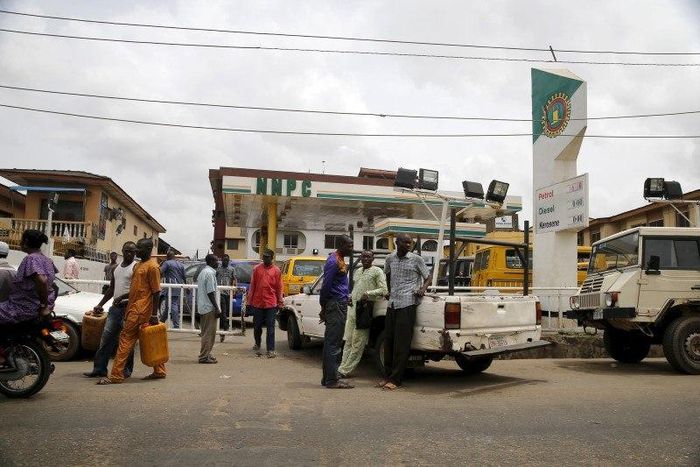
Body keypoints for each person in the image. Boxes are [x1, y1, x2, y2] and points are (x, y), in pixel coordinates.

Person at [98, 237, 166, 384]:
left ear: (148, 250)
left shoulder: (153, 267)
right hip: (134, 308)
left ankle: (116, 375)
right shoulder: (138, 265)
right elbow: (137, 289)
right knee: (149, 339)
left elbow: (156, 292)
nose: (136, 251)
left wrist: (154, 314)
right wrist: (122, 296)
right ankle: (159, 370)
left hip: (141, 311)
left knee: (125, 340)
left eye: (139, 248)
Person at [380, 233, 431, 391]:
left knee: (402, 344)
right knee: (389, 342)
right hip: (392, 303)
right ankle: (387, 376)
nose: (408, 245)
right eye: (405, 243)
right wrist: (388, 290)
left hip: (408, 303)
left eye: (410, 243)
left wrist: (422, 289)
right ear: (397, 243)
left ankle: (396, 380)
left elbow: (428, 277)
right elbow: (387, 274)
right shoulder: (390, 258)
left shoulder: (417, 259)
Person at [83, 242, 137, 378]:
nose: (129, 253)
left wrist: (122, 298)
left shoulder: (135, 267)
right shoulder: (117, 268)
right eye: (127, 251)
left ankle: (125, 371)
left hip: (129, 309)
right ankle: (99, 369)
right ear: (122, 251)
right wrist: (100, 304)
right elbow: (111, 289)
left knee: (125, 342)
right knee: (106, 339)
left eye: (132, 251)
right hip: (115, 309)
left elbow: (137, 290)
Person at [338, 250, 387, 379]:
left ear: (373, 258)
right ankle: (341, 367)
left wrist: (369, 293)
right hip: (353, 309)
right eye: (363, 257)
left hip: (364, 310)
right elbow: (355, 289)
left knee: (358, 342)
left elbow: (384, 290)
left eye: (368, 257)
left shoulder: (377, 271)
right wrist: (350, 296)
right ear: (360, 258)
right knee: (348, 340)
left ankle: (346, 370)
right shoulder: (358, 271)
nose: (366, 259)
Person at [0, 230, 58, 325]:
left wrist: (43, 306)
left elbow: (42, 281)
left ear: (26, 242)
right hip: (35, 306)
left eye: (21, 240)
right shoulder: (47, 260)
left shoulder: (31, 259)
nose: (20, 242)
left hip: (22, 308)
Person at [319, 235, 354, 389]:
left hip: (339, 303)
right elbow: (326, 286)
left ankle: (329, 377)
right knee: (334, 344)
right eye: (349, 245)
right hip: (335, 305)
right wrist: (324, 306)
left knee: (331, 343)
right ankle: (332, 380)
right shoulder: (333, 261)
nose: (352, 248)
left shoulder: (339, 259)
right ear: (341, 245)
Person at [247, 249, 282, 358]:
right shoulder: (257, 269)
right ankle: (257, 343)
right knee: (257, 326)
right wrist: (249, 302)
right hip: (258, 303)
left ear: (272, 258)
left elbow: (279, 288)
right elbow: (253, 286)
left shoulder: (276, 271)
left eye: (267, 257)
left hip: (271, 303)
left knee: (271, 328)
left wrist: (280, 302)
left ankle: (270, 349)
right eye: (264, 256)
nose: (265, 259)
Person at [196, 254, 222, 364]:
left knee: (207, 332)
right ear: (211, 261)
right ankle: (203, 356)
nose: (218, 263)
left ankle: (207, 353)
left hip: (203, 306)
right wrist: (217, 308)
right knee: (208, 333)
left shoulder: (203, 272)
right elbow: (210, 292)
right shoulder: (210, 273)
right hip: (208, 307)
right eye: (216, 260)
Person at [159, 249, 185, 329]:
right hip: (178, 286)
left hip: (170, 287)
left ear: (167, 257)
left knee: (173, 304)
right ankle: (162, 321)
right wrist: (186, 285)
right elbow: (184, 276)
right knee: (168, 305)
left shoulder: (167, 263)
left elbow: (160, 271)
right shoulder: (180, 264)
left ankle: (176, 324)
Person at [216, 254, 236, 343]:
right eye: (224, 260)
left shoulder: (232, 269)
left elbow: (234, 279)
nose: (225, 262)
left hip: (228, 293)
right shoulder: (218, 269)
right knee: (223, 311)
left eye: (227, 260)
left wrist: (234, 289)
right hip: (220, 293)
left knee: (226, 312)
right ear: (222, 260)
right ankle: (226, 327)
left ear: (229, 261)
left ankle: (223, 331)